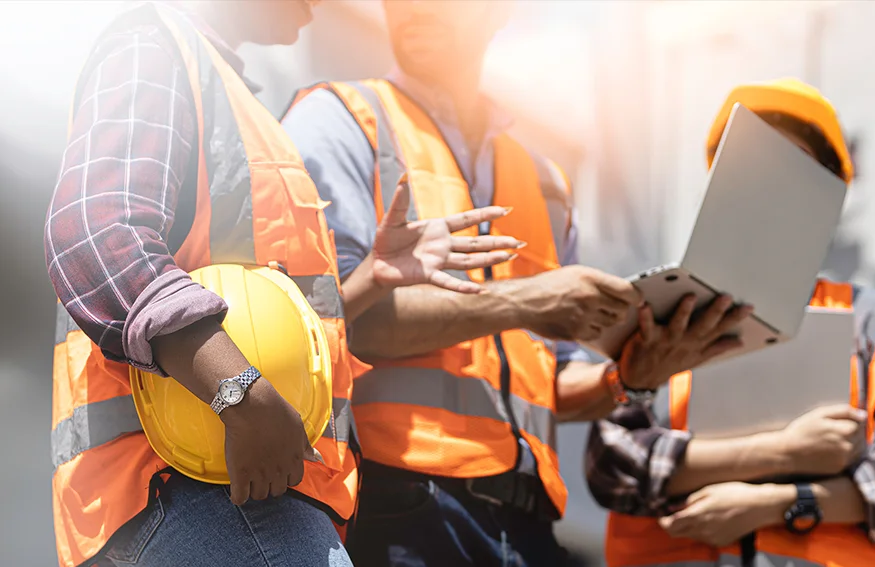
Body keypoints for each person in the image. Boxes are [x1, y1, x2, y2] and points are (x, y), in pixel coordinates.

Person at [45, 2, 524, 566]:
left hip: (233, 490)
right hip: (200, 487)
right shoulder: (153, 46)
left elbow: (258, 307)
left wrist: (369, 280)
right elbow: (97, 232)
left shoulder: (231, 94)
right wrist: (240, 394)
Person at [281, 1, 747, 565]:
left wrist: (630, 378)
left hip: (526, 525)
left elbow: (547, 379)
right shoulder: (341, 120)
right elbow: (331, 323)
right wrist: (529, 301)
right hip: (398, 505)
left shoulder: (545, 184)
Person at [586, 78, 875, 567]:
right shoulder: (662, 308)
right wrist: (786, 451)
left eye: (794, 167)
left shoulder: (871, 320)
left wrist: (776, 504)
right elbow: (613, 465)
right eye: (754, 163)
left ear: (829, 193)